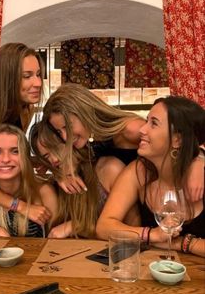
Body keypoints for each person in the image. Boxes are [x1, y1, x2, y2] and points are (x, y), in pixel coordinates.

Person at [42, 83, 204, 200]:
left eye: (68, 127)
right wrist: (61, 174)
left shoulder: (131, 130)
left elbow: (189, 139)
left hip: (165, 201)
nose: (65, 137)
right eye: (59, 131)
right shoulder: (89, 139)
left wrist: (198, 161)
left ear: (85, 113)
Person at [96, 96, 205, 258]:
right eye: (147, 121)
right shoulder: (139, 171)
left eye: (153, 123)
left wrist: (183, 243)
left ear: (177, 139)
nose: (142, 130)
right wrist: (152, 234)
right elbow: (104, 226)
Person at [0, 43, 50, 226]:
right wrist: (20, 206)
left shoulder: (24, 109)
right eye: (27, 76)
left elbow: (10, 153)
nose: (37, 83)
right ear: (7, 79)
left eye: (38, 75)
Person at [30, 121, 138, 238]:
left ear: (71, 140)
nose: (54, 159)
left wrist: (78, 226)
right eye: (47, 156)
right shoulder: (58, 183)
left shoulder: (110, 169)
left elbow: (133, 229)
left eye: (57, 148)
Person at [0, 124, 58, 239]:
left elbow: (56, 241)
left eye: (15, 151)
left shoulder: (43, 192)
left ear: (26, 157)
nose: (6, 159)